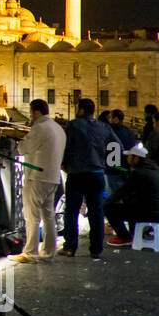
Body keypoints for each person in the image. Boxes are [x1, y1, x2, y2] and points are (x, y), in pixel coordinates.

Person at [61, 97, 119, 258]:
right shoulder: (104, 127)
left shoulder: (73, 125)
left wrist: (64, 163)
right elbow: (117, 145)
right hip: (97, 174)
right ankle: (96, 249)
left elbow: (67, 146)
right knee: (96, 212)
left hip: (77, 173)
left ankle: (70, 247)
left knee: (72, 211)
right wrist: (109, 162)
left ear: (80, 110)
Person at [12, 98, 65, 262]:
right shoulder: (58, 129)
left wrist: (18, 141)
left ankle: (30, 253)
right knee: (48, 216)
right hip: (53, 178)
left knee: (32, 216)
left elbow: (22, 149)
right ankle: (48, 252)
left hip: (37, 178)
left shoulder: (40, 128)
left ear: (36, 112)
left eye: (31, 112)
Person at [104, 143, 159, 246]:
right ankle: (134, 234)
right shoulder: (153, 168)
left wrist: (105, 204)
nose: (127, 159)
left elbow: (121, 192)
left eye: (130, 156)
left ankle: (124, 237)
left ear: (136, 158)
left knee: (109, 208)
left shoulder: (140, 173)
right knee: (130, 203)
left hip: (153, 213)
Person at [106, 109, 138, 198]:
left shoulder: (109, 132)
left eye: (110, 118)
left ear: (116, 119)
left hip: (112, 170)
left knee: (112, 197)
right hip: (125, 169)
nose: (108, 120)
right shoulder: (129, 132)